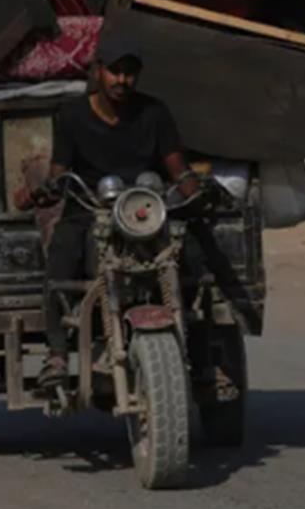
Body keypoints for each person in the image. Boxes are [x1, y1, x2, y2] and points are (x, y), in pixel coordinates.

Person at [15, 33, 196, 387]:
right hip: (90, 210)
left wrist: (196, 192)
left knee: (194, 260)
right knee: (61, 258)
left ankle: (201, 354)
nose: (121, 81)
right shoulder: (72, 116)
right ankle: (55, 354)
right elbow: (60, 171)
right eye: (114, 71)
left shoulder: (154, 112)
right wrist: (49, 187)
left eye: (129, 73)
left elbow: (178, 169)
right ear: (98, 71)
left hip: (144, 211)